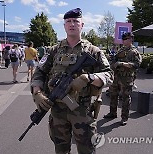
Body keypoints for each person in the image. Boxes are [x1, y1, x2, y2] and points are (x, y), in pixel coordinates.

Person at [31, 8, 113, 154]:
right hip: (57, 111)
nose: (72, 24)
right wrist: (37, 92)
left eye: (76, 21)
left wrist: (89, 78)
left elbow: (109, 75)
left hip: (82, 110)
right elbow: (39, 72)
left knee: (87, 149)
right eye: (68, 21)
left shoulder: (93, 51)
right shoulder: (54, 51)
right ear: (64, 26)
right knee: (60, 150)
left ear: (82, 25)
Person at [103, 32, 142, 126]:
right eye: (123, 39)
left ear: (131, 39)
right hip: (116, 76)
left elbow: (137, 65)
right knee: (113, 95)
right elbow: (115, 60)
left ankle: (124, 117)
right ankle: (112, 113)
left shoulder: (134, 52)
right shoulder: (121, 50)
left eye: (126, 39)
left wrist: (122, 64)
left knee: (125, 98)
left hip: (127, 78)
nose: (124, 41)